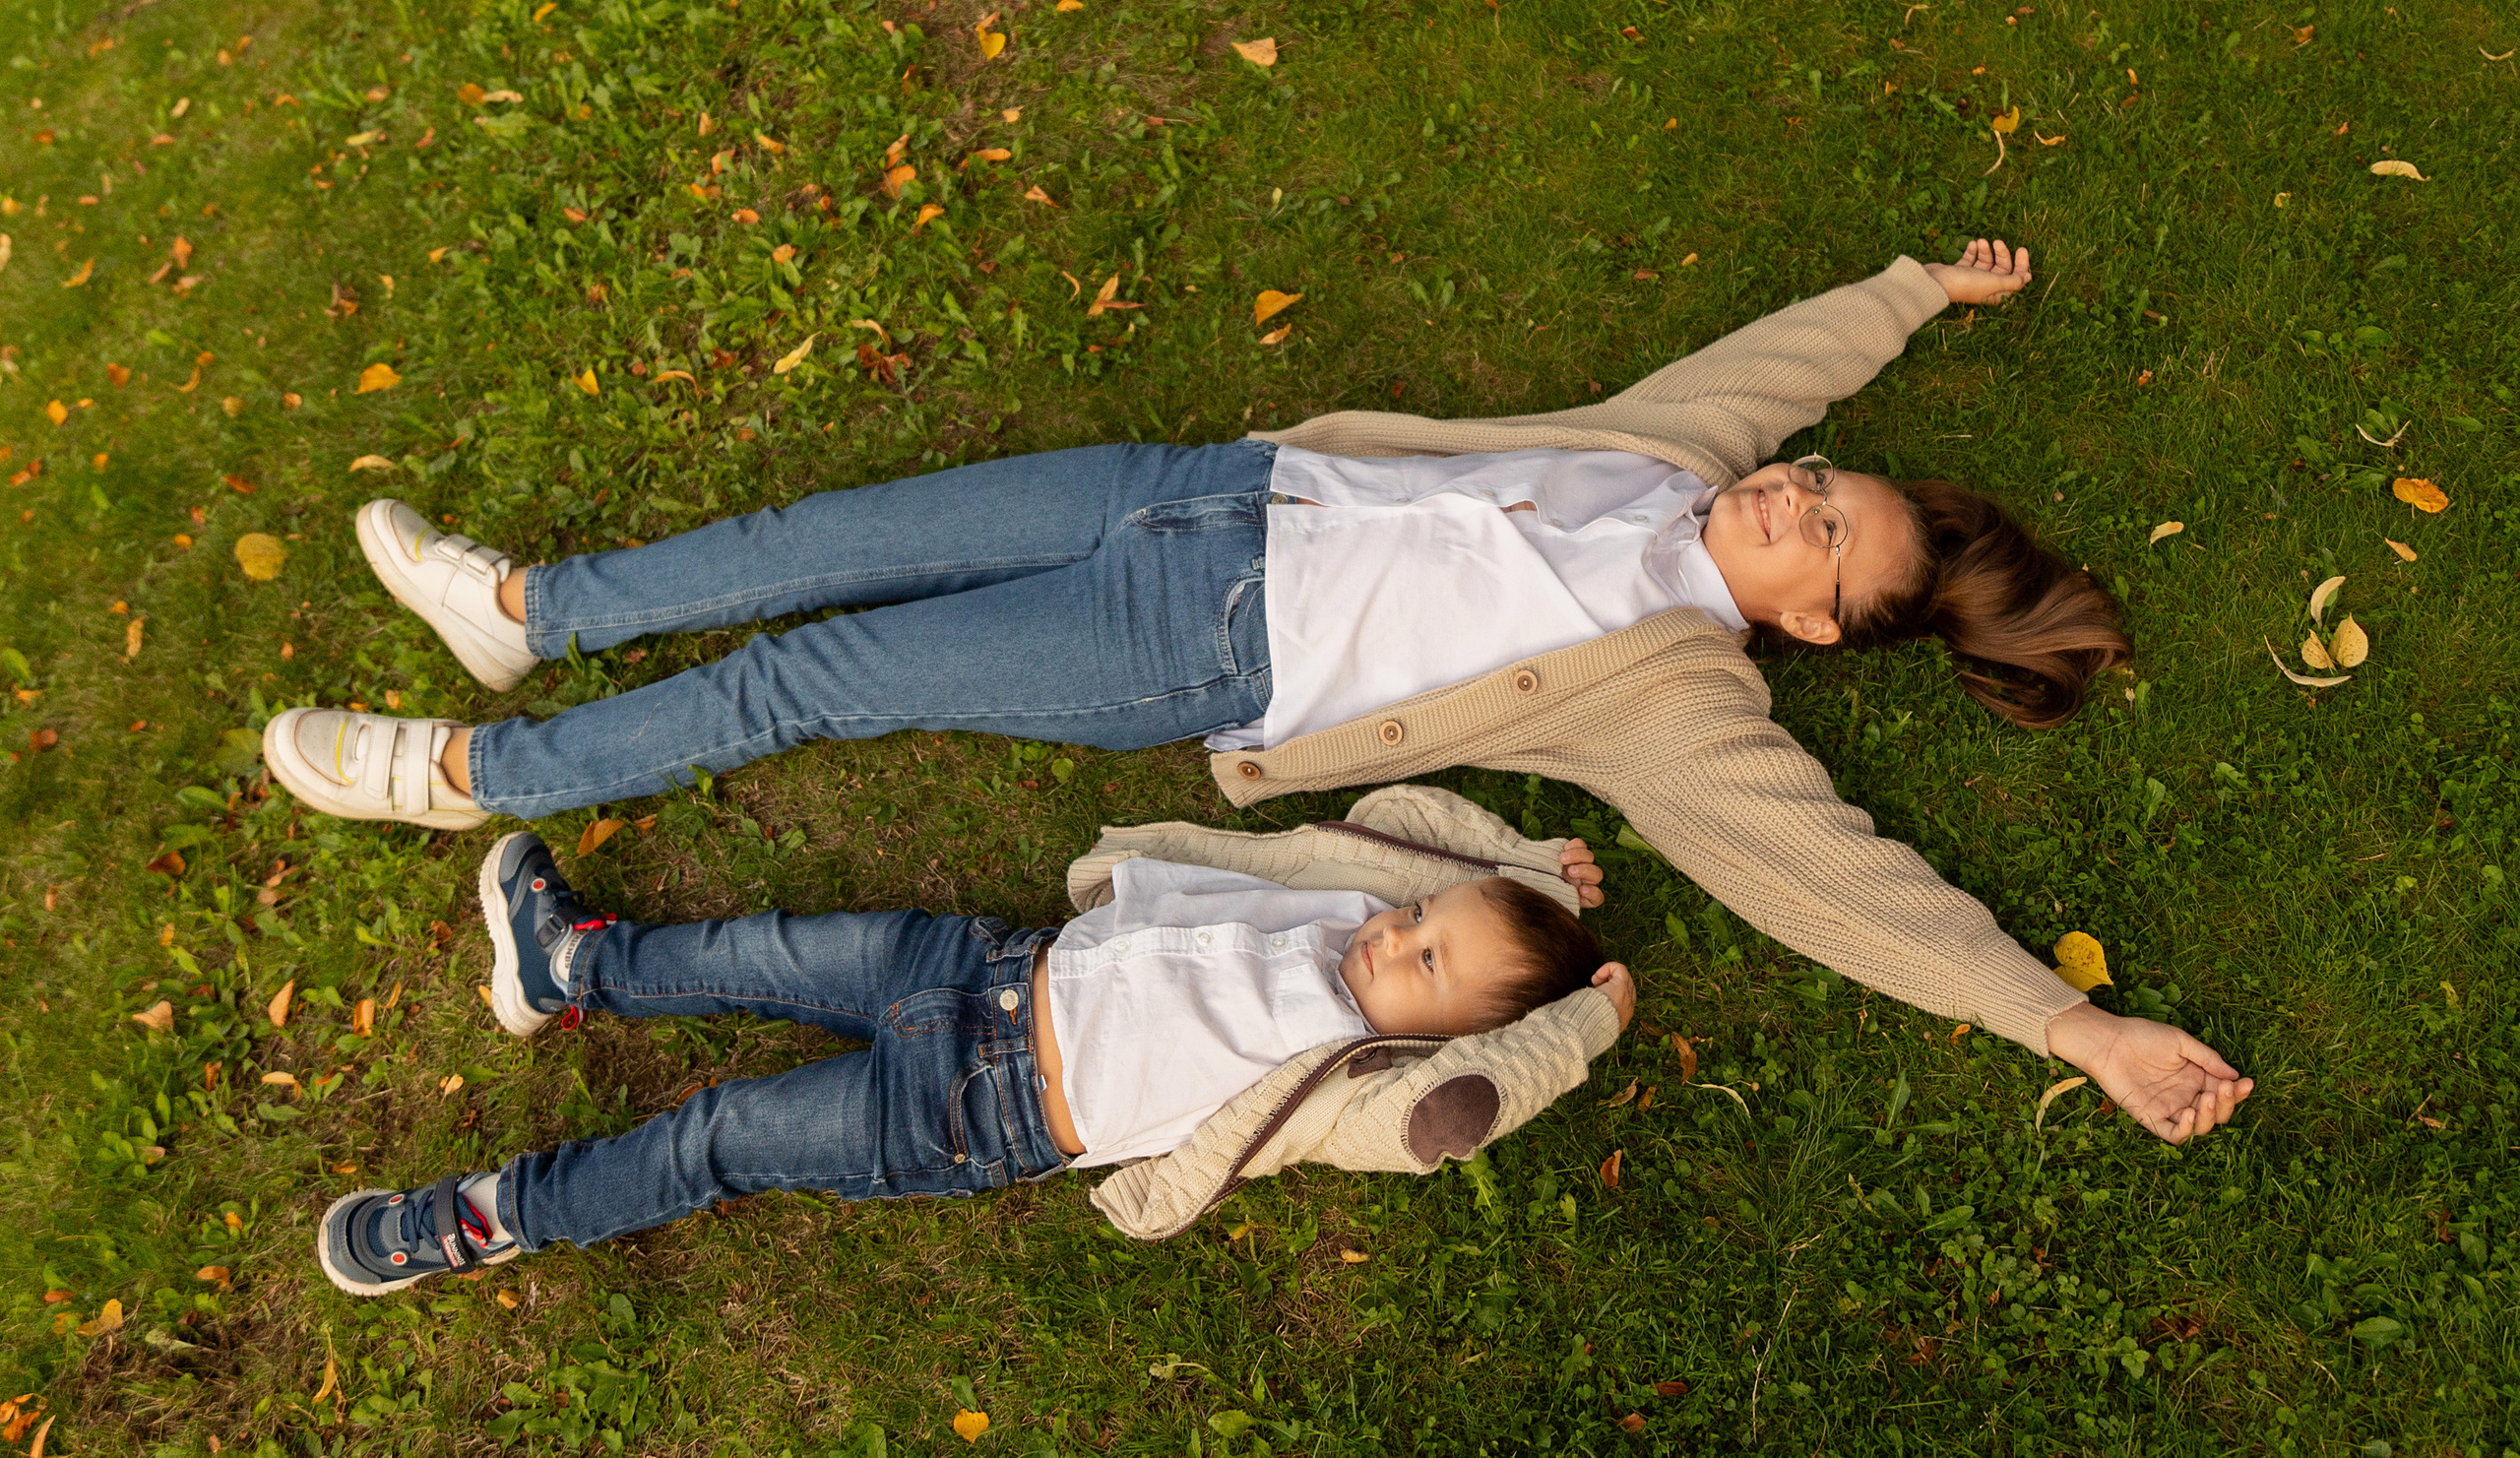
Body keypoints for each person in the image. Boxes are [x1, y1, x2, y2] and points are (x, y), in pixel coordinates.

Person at [268, 240, 2253, 1145]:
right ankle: (533, 603)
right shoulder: (1677, 454)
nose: (1786, 492)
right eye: (1814, 481)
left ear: (1811, 627)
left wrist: (2067, 1025)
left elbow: (1829, 876)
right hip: (1203, 488)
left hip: (1199, 647)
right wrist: (1915, 294)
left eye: (1815, 533)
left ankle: (471, 764)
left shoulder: (1679, 706)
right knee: (833, 535)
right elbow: (1781, 360)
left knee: (820, 673)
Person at [318, 788, 1634, 1291]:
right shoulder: (1349, 898)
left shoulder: (1357, 1087)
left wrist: (1579, 1022)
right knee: (759, 953)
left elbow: (1461, 1108)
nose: (1393, 938)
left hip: (975, 1116)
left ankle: (482, 1220)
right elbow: (1411, 819)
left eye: (1425, 966)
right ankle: (575, 968)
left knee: (718, 1136)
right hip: (978, 971)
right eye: (1417, 920)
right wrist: (1523, 863)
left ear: (1444, 1034)